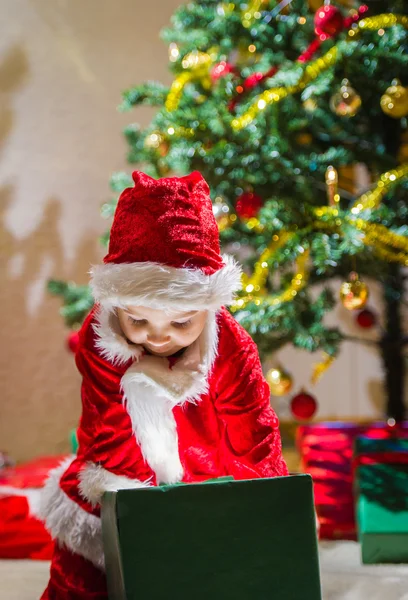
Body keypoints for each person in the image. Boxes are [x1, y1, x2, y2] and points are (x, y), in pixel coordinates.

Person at [39, 170, 288, 599]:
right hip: (118, 478)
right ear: (118, 306)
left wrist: (261, 504)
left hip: (207, 480)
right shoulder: (100, 341)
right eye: (138, 320)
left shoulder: (230, 345)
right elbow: (109, 431)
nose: (157, 337)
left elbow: (253, 430)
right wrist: (142, 517)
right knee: (85, 574)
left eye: (180, 322)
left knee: (225, 575)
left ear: (206, 308)